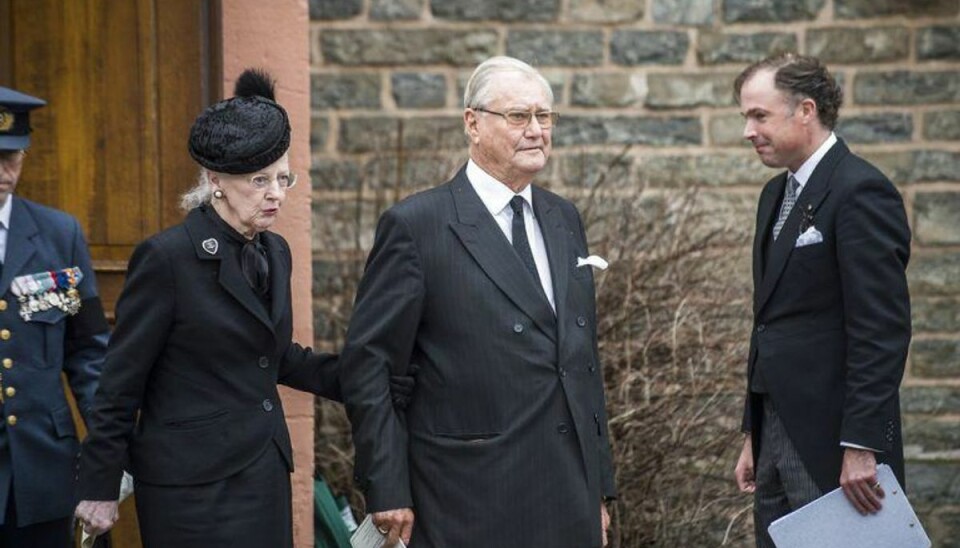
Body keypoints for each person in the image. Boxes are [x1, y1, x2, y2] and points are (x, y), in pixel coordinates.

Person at [73, 69, 410, 547]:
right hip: (191, 488)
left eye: (283, 178)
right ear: (216, 181)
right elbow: (119, 382)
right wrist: (100, 487)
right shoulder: (167, 258)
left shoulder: (275, 252)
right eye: (260, 180)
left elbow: (276, 356)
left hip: (263, 470)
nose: (276, 193)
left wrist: (371, 380)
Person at [339, 56, 617, 548]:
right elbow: (371, 366)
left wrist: (598, 487)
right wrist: (386, 485)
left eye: (544, 116)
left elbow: (580, 362)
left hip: (567, 491)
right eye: (518, 117)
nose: (535, 130)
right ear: (473, 123)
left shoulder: (562, 218)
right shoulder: (418, 225)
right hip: (466, 495)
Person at [731, 53, 911, 548]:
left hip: (835, 445)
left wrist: (862, 444)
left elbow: (881, 329)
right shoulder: (774, 195)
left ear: (805, 110)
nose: (748, 130)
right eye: (746, 116)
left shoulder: (861, 190)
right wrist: (754, 433)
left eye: (759, 115)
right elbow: (769, 323)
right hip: (775, 432)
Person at [0, 85, 110, 547]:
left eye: (13, 157)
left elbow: (87, 353)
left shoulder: (57, 234)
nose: (3, 171)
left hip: (41, 466)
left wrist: (106, 459)